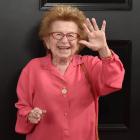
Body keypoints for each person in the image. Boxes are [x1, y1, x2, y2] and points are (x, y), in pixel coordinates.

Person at [15, 5, 125, 140]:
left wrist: (103, 49)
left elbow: (113, 82)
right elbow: (23, 106)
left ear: (79, 42)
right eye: (58, 34)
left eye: (71, 35)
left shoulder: (89, 64)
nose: (64, 40)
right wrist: (29, 116)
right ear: (47, 41)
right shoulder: (32, 68)